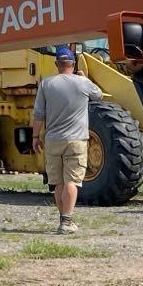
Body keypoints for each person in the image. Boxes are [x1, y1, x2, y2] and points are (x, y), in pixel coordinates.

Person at [30, 46, 100, 232]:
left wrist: (36, 136)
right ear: (73, 63)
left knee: (58, 183)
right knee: (72, 181)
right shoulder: (82, 83)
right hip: (76, 140)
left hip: (53, 140)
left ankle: (63, 220)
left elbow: (38, 114)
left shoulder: (46, 84)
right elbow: (99, 96)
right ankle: (67, 222)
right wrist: (84, 78)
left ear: (56, 64)